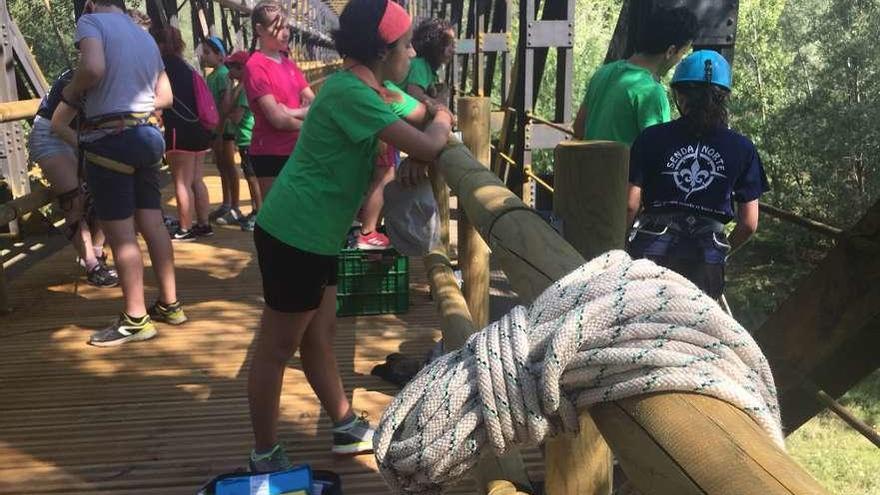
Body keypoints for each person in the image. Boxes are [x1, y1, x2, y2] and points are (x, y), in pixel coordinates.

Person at [246, 0, 453, 472]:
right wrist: (442, 118)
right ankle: (263, 453)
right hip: (294, 233)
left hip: (318, 234)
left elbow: (418, 111)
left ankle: (342, 424)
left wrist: (432, 112)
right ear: (383, 52)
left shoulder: (372, 89)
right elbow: (428, 138)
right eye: (404, 47)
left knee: (321, 335)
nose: (410, 55)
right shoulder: (350, 94)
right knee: (277, 347)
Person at [53, 0, 186, 346]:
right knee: (153, 224)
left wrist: (72, 91)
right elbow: (166, 96)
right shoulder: (142, 36)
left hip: (111, 139)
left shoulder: (91, 22)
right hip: (146, 137)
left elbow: (93, 68)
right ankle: (170, 304)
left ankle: (135, 318)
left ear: (91, 3)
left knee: (122, 235)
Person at [626, 50, 770, 299]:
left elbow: (630, 205)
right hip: (706, 261)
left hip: (651, 254)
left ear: (679, 95)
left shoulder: (650, 139)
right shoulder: (742, 148)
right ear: (724, 97)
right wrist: (722, 253)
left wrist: (620, 247)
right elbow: (748, 223)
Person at [29, 69, 118, 287]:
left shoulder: (107, 72)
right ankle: (92, 265)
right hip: (50, 134)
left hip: (78, 134)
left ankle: (96, 251)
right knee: (73, 199)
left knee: (108, 191)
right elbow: (57, 124)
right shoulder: (88, 74)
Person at [573, 6, 698, 145]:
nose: (682, 59)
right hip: (628, 168)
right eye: (683, 53)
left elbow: (578, 130)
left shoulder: (602, 73)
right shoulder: (652, 93)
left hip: (592, 166)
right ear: (670, 51)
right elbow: (660, 152)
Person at [243, 0, 314, 196]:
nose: (285, 33)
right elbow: (277, 120)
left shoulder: (288, 64)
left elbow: (315, 103)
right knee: (277, 216)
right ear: (260, 29)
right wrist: (309, 120)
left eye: (287, 27)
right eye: (278, 27)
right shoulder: (256, 67)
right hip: (271, 153)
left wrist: (292, 111)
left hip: (297, 149)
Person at [151, 26, 214, 242]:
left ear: (159, 44)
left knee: (181, 181)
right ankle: (204, 224)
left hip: (179, 130)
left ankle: (185, 228)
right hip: (198, 130)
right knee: (197, 179)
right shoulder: (188, 67)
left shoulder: (161, 67)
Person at [203, 36, 243, 226]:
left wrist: (218, 131)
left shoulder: (222, 75)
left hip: (224, 129)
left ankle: (234, 206)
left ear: (219, 55)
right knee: (222, 165)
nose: (204, 57)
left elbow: (223, 106)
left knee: (228, 166)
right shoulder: (213, 75)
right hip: (217, 128)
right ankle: (227, 203)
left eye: (207, 53)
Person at [223, 50, 261, 231]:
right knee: (250, 176)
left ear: (241, 68)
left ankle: (259, 213)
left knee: (253, 178)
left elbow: (236, 116)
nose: (228, 70)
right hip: (246, 138)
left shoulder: (246, 88)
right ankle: (255, 210)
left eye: (231, 67)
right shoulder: (242, 85)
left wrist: (225, 115)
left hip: (249, 138)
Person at [401, 18, 455, 104]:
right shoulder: (420, 65)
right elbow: (415, 95)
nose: (453, 50)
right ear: (434, 44)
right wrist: (438, 104)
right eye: (448, 44)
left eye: (453, 45)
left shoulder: (429, 70)